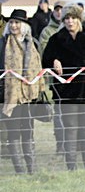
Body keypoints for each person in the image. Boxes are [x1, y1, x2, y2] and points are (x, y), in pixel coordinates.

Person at [42, 6, 85, 171]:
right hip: (66, 93)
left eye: (73, 18)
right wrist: (53, 61)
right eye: (66, 18)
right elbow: (45, 61)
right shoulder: (56, 39)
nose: (70, 21)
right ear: (63, 21)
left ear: (79, 19)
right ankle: (71, 166)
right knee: (69, 129)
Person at [0, 10, 46, 174]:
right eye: (11, 22)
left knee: (28, 131)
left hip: (29, 95)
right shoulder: (3, 43)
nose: (13, 25)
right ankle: (19, 169)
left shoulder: (32, 43)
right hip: (9, 95)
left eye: (17, 22)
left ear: (24, 25)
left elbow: (38, 67)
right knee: (13, 133)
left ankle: (31, 168)